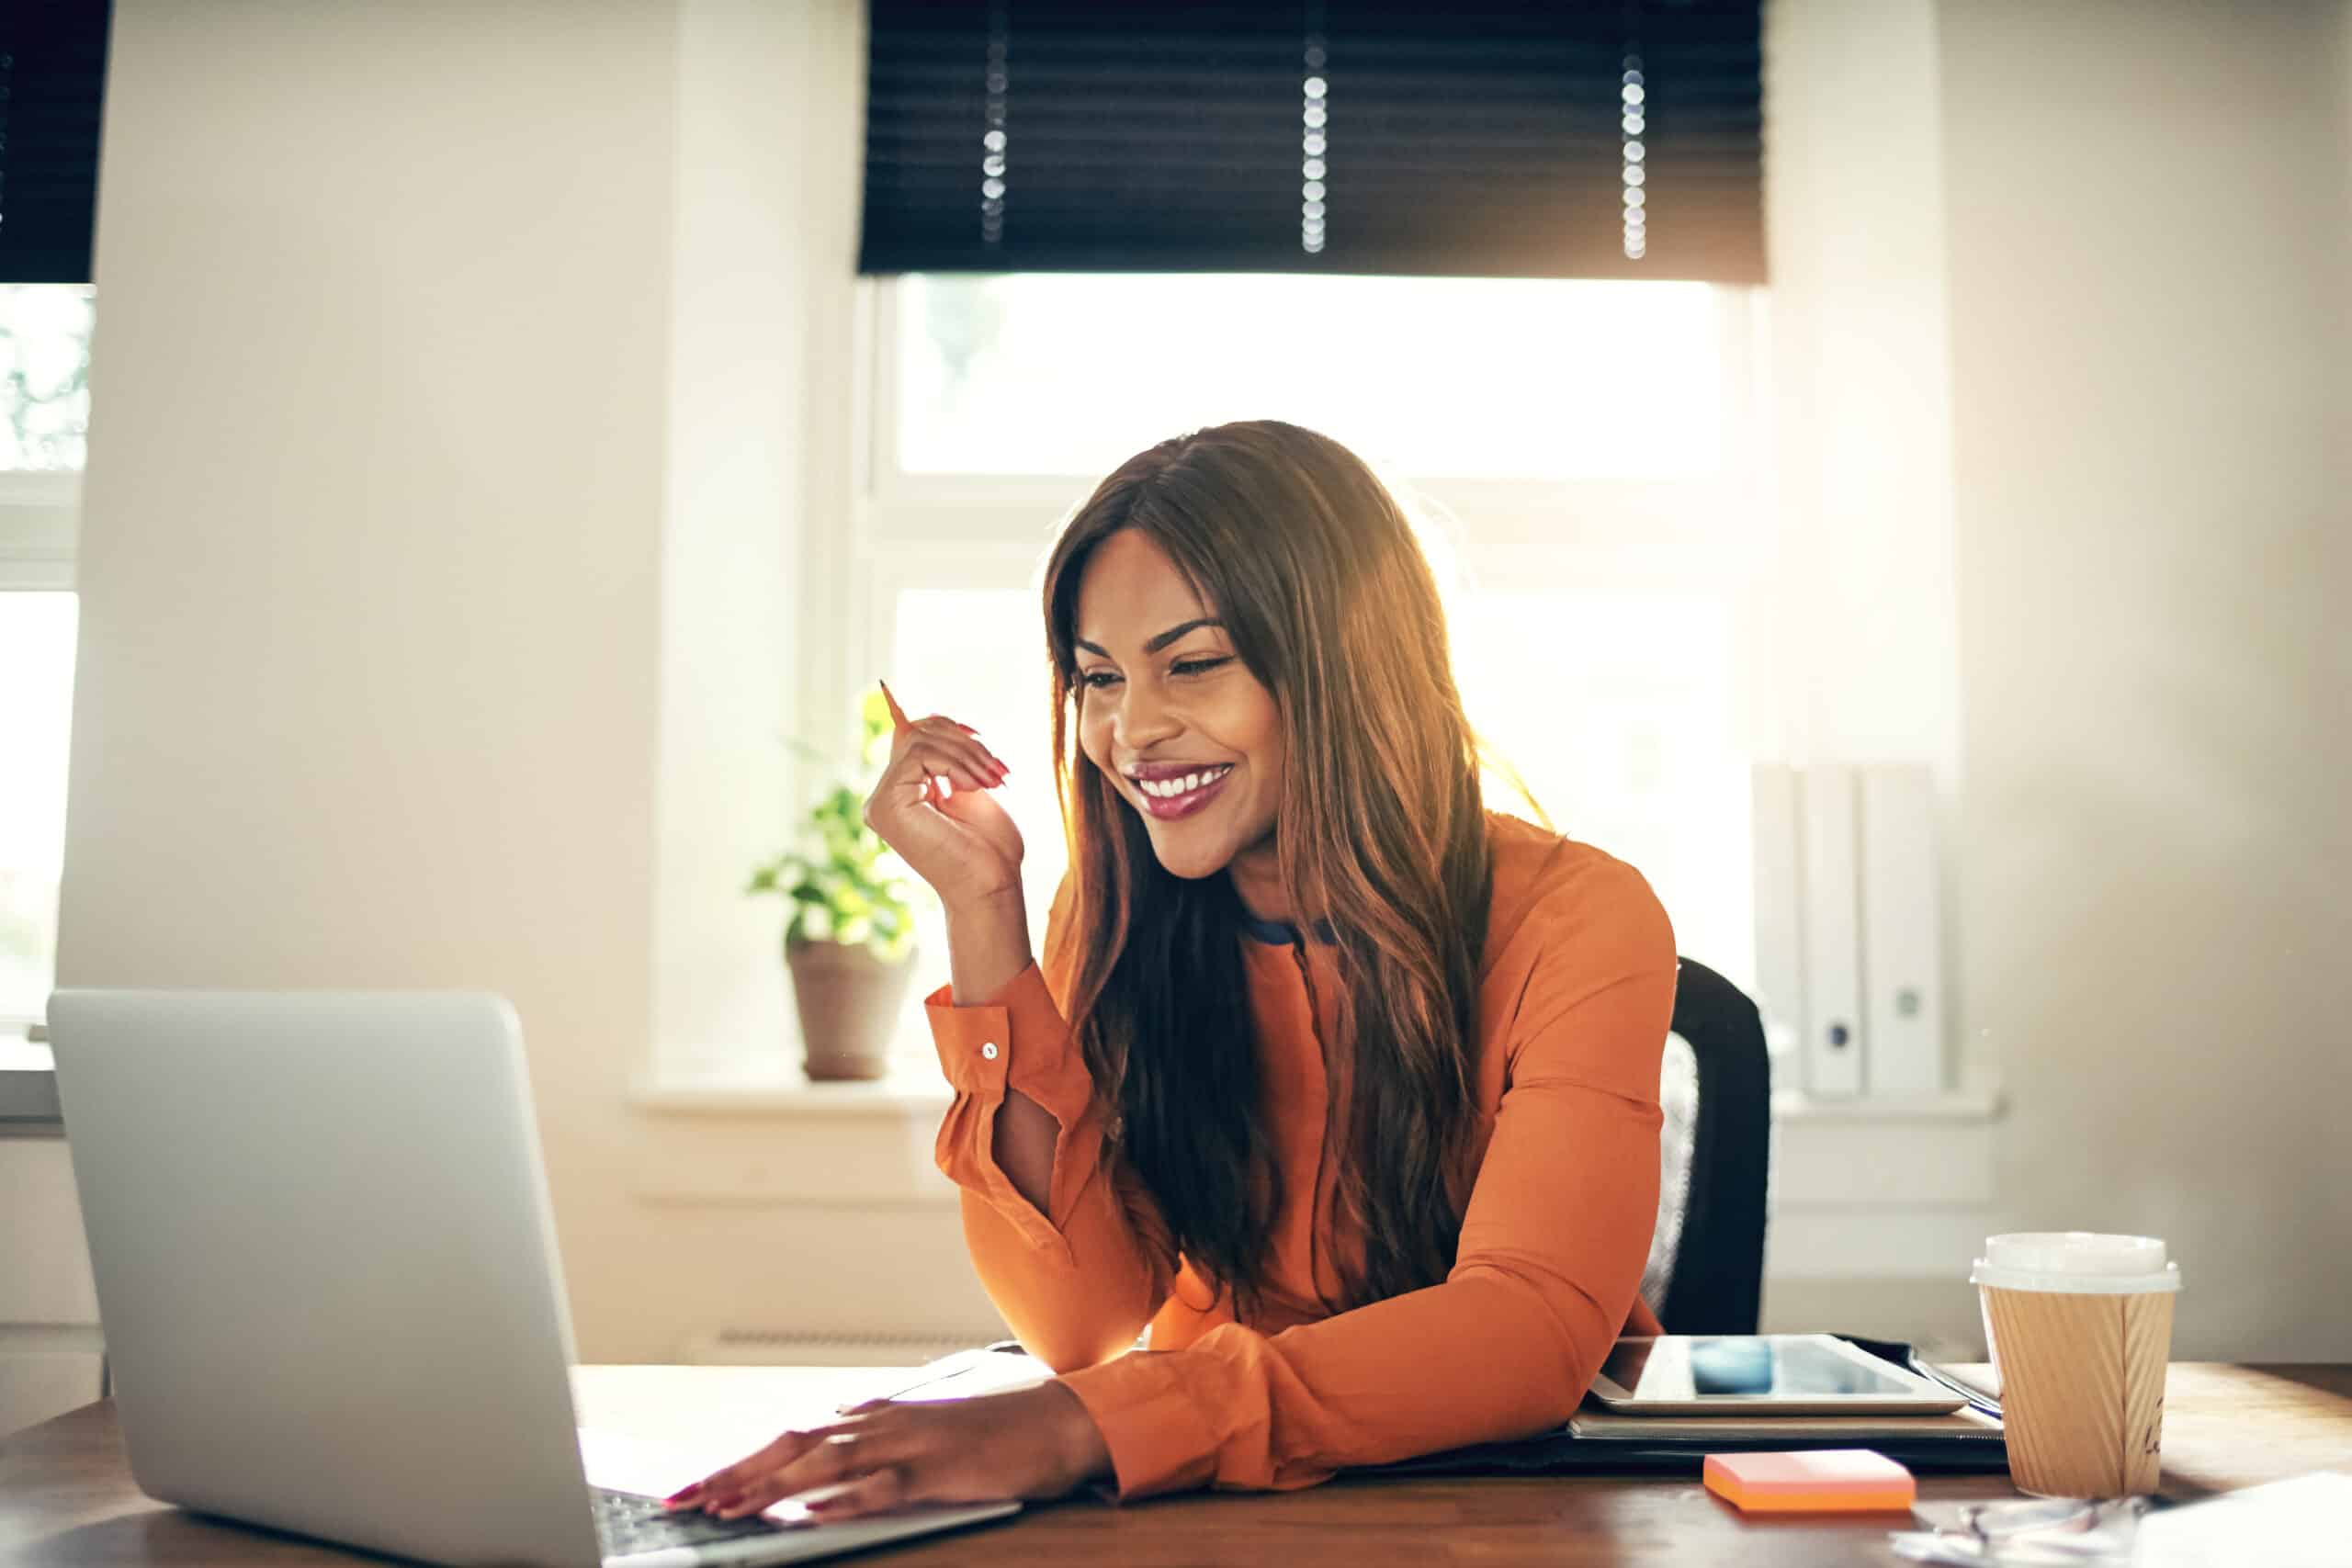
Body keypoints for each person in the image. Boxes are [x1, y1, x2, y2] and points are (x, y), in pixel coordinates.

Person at [671, 420, 1677, 1522]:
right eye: (1098, 678)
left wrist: (1085, 1426)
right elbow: (1079, 1323)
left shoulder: (1579, 917)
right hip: (1205, 1502)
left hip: (1505, 1510)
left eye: (1191, 665)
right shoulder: (1108, 914)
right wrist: (983, 911)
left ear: (1345, 664)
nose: (1129, 730)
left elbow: (1525, 1329)